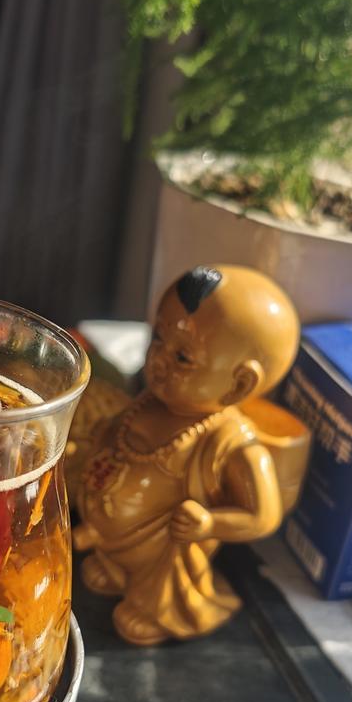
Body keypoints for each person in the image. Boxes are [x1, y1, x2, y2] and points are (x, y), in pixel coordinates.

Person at [72, 265, 300, 645]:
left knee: (149, 599)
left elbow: (262, 517)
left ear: (239, 384)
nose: (159, 359)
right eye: (159, 338)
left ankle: (156, 607)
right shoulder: (151, 400)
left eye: (182, 357)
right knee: (98, 570)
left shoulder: (230, 444)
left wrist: (210, 523)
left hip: (162, 561)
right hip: (111, 538)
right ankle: (116, 567)